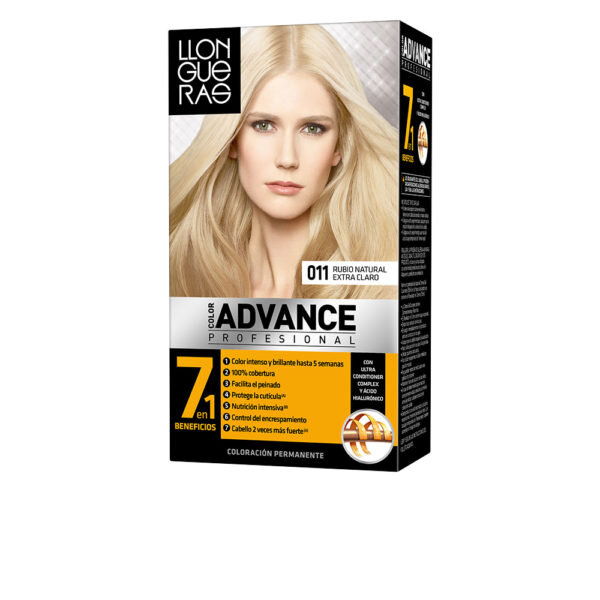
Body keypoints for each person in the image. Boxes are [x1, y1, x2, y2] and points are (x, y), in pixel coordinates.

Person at [170, 24, 398, 299]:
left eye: (312, 128)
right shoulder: (182, 282)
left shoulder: (380, 292)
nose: (287, 159)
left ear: (339, 145)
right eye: (264, 125)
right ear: (232, 139)